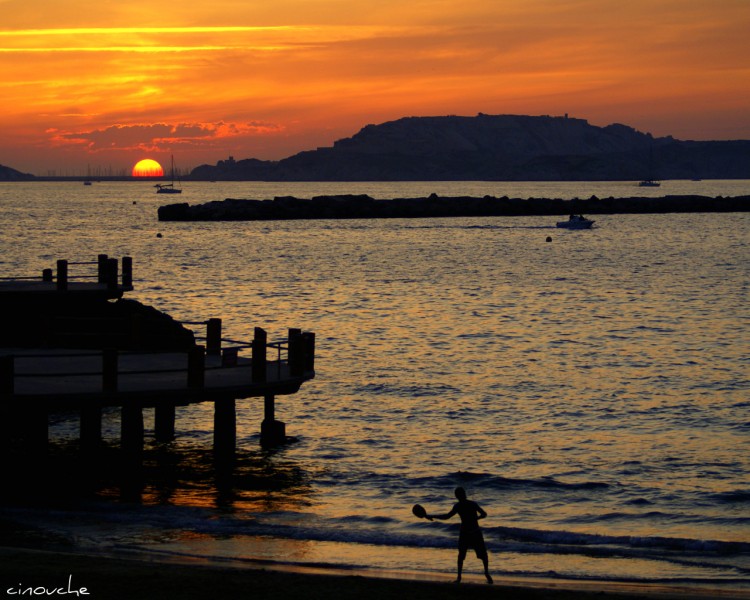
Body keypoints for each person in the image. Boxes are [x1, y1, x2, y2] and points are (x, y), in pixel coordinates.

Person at [425, 487, 493, 584]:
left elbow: (446, 517)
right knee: (483, 555)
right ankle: (486, 573)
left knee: (461, 556)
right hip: (475, 532)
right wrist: (476, 518)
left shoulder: (458, 506)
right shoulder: (472, 504)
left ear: (457, 496)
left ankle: (459, 577)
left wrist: (432, 516)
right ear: (464, 494)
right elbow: (484, 514)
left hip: (465, 532)